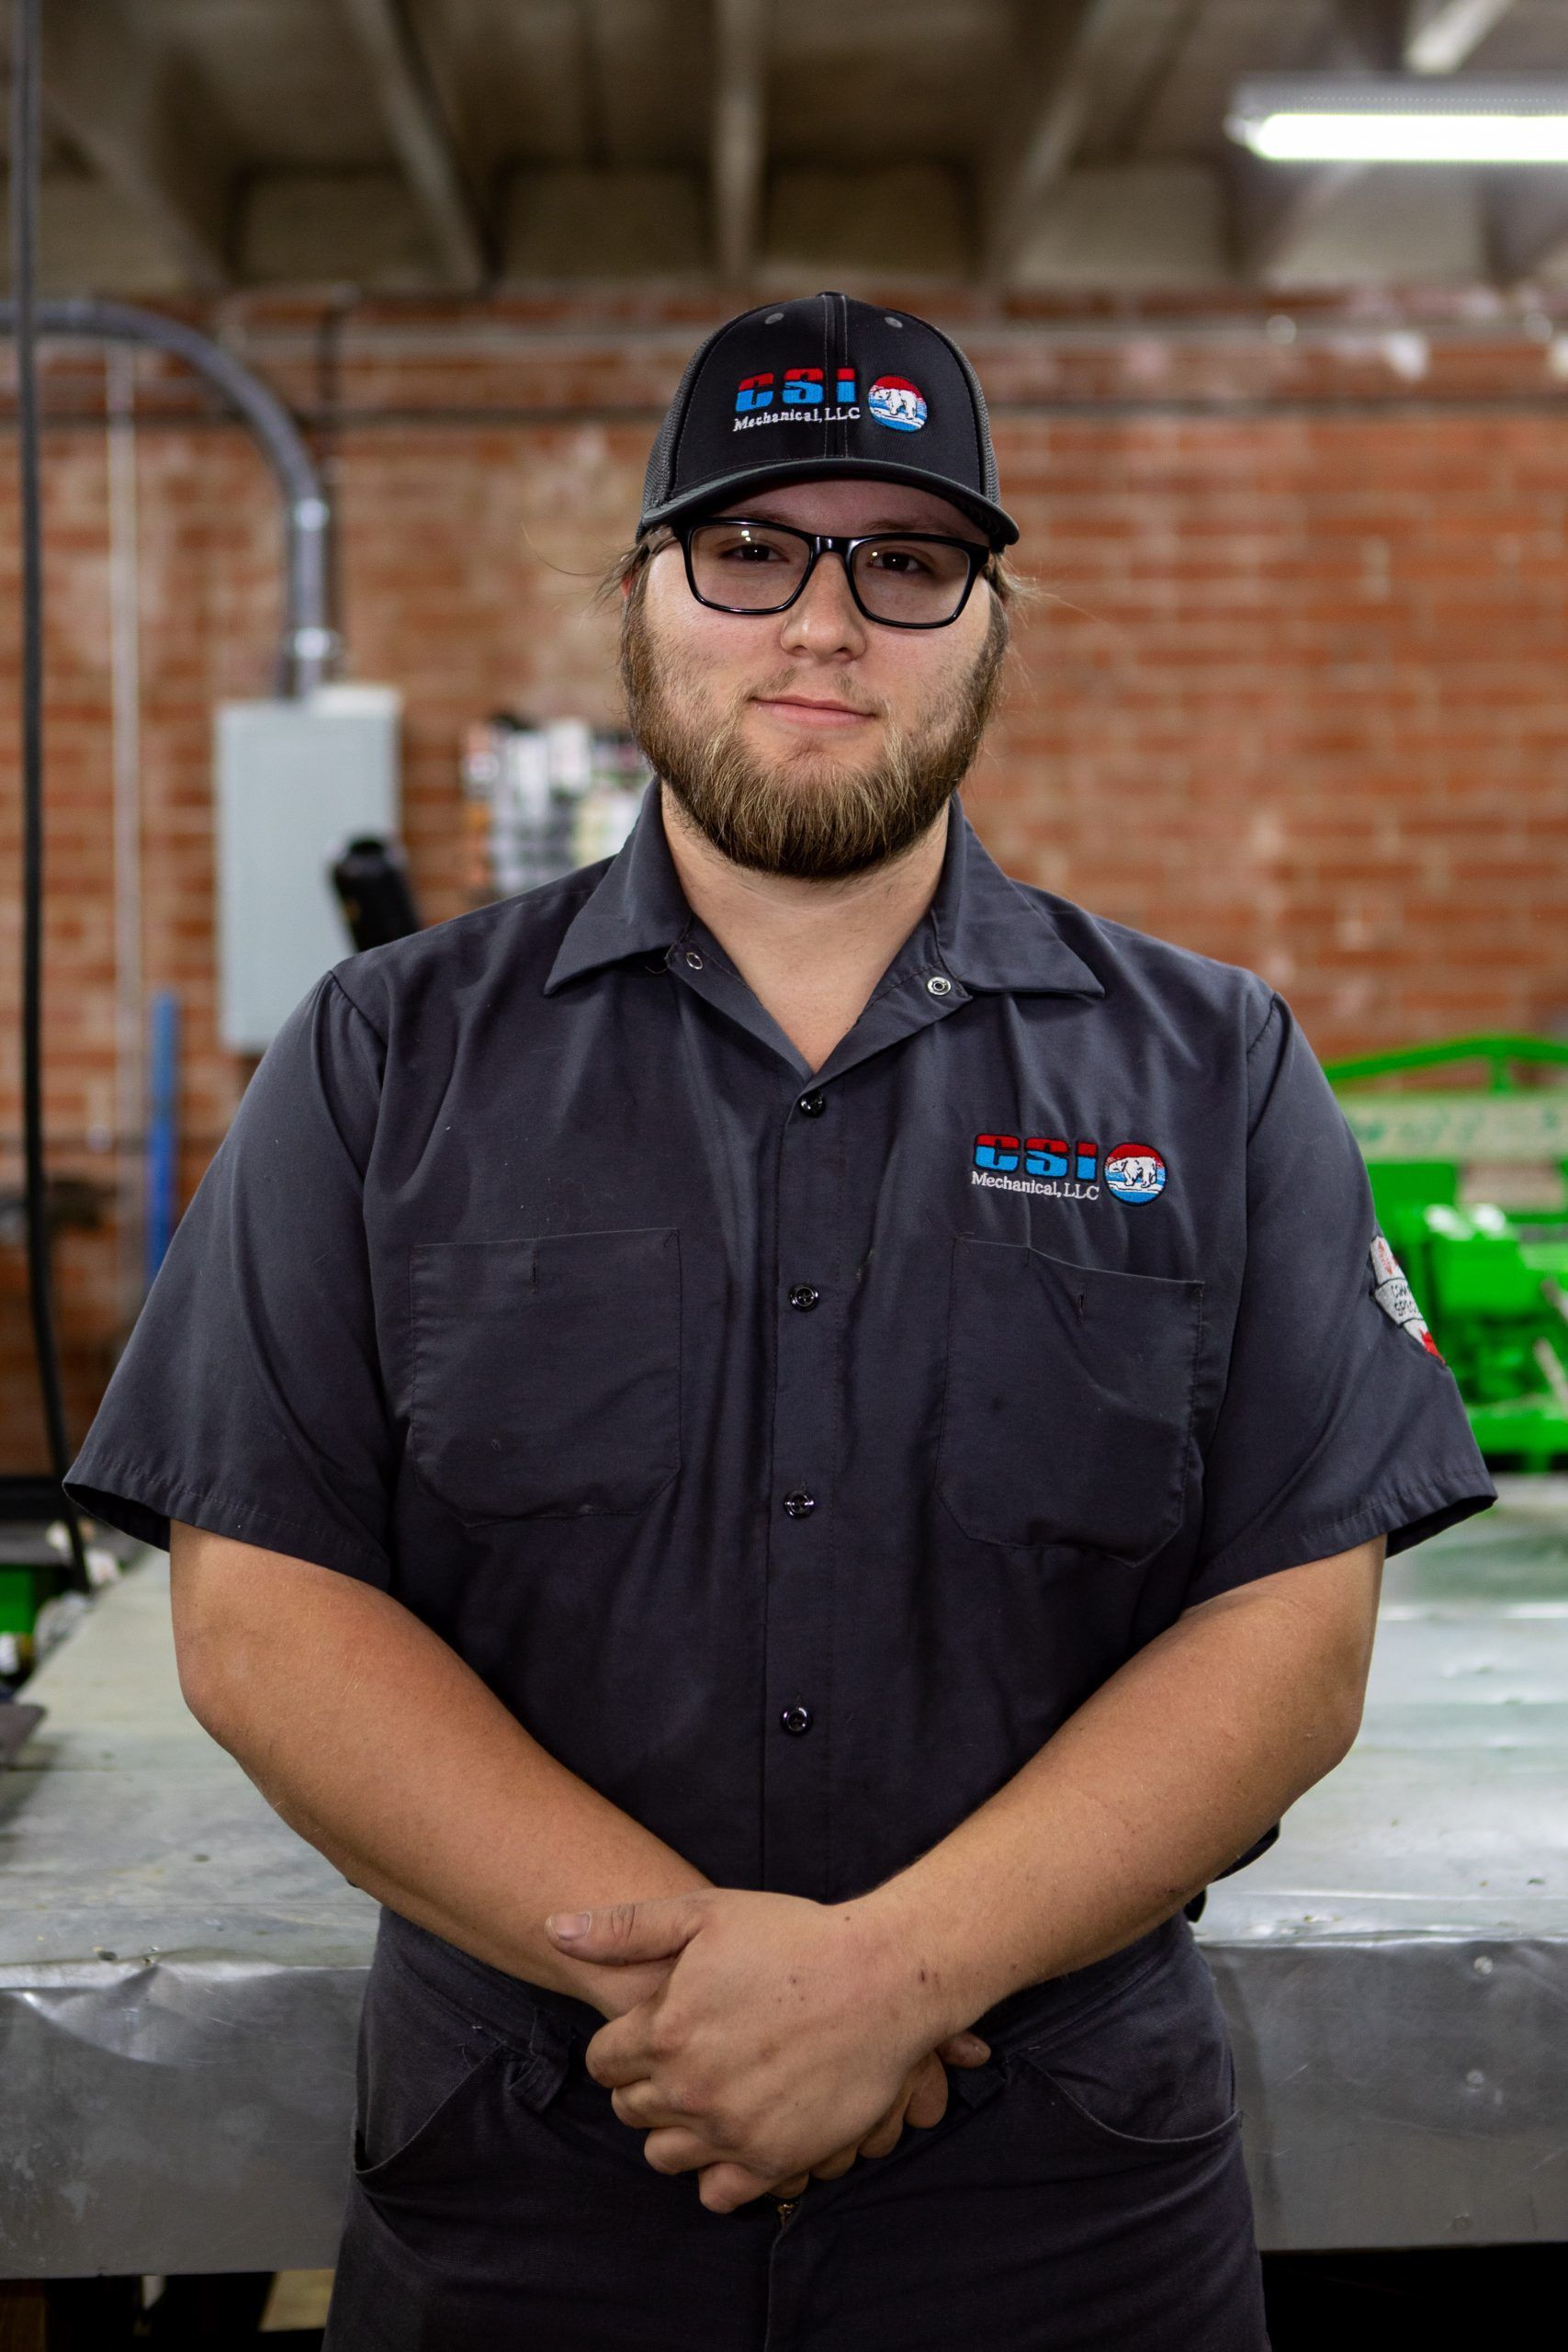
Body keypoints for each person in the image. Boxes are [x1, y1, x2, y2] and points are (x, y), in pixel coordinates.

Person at [65, 290, 1494, 2351]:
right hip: (539, 2182)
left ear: (984, 620)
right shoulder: (384, 1060)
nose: (823, 622)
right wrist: (716, 2006)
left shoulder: (1212, 1067)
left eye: (904, 561)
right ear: (645, 592)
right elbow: (268, 1608)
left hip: (1058, 2205)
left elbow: (1286, 1623)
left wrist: (894, 1977)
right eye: (751, 548)